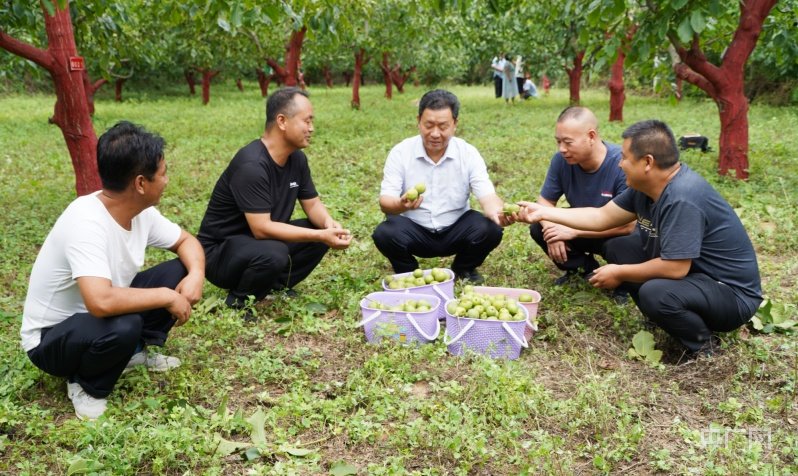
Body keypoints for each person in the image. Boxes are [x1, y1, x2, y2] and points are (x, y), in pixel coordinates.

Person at [518, 120, 762, 357]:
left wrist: (620, 273)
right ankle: (662, 317)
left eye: (624, 158)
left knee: (656, 293)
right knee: (622, 248)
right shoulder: (643, 189)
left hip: (731, 294)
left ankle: (704, 346)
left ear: (647, 162)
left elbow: (675, 268)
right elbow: (602, 217)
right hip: (695, 278)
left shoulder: (681, 198)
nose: (620, 164)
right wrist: (544, 212)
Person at [20, 121, 206, 420]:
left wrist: (196, 274)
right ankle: (85, 384)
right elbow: (101, 302)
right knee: (126, 323)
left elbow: (187, 241)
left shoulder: (139, 211)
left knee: (178, 270)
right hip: (51, 339)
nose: (167, 180)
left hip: (97, 318)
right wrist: (166, 297)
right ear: (141, 183)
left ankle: (132, 354)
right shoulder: (85, 221)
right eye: (163, 173)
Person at [198, 87, 351, 315]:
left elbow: (312, 204)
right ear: (282, 121)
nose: (312, 128)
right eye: (306, 121)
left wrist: (329, 225)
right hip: (221, 253)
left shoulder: (296, 159)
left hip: (260, 243)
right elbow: (261, 229)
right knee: (276, 252)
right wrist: (320, 235)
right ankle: (239, 301)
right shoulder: (252, 165)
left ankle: (271, 287)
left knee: (316, 229)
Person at [372, 89, 510, 284]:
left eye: (443, 126)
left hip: (456, 230)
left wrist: (498, 213)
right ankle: (408, 273)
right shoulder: (401, 152)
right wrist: (402, 204)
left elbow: (487, 195)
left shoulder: (468, 153)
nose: (435, 133)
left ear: (455, 124)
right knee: (385, 233)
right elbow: (385, 202)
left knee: (490, 229)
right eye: (429, 125)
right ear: (418, 121)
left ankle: (463, 268)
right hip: (415, 230)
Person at [531, 106, 634, 288]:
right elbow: (545, 202)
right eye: (558, 142)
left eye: (568, 142)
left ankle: (624, 285)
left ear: (591, 136)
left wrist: (574, 232)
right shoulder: (560, 161)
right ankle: (582, 271)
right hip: (581, 223)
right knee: (539, 226)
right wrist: (553, 231)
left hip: (613, 231)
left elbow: (629, 225)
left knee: (622, 245)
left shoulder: (622, 164)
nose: (562, 149)